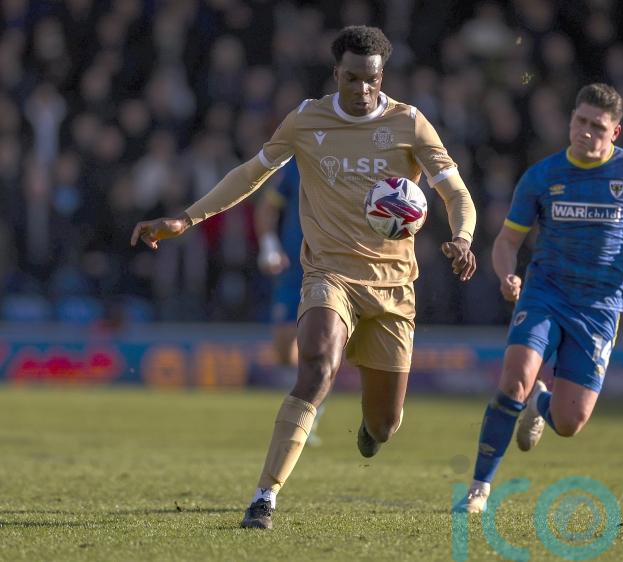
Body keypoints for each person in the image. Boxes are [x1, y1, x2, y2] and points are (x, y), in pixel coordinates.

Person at [130, 25, 477, 529]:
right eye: (352, 78)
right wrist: (187, 218)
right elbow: (250, 174)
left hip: (393, 288)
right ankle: (264, 496)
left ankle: (372, 430)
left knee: (385, 423)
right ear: (336, 73)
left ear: (382, 77)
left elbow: (457, 194)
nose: (362, 90)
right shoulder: (306, 120)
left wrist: (463, 238)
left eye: (371, 80)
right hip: (328, 272)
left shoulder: (410, 124)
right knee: (315, 364)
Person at [456, 83, 623, 513]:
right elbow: (506, 241)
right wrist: (507, 275)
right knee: (514, 376)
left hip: (599, 308)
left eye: (597, 126)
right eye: (580, 122)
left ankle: (541, 402)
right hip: (545, 293)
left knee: (570, 422)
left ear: (615, 132)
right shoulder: (542, 176)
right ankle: (479, 489)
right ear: (570, 120)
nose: (586, 132)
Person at [255, 159, 324, 446]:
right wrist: (269, 246)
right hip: (293, 266)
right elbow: (267, 208)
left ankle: (310, 411)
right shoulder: (298, 162)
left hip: (330, 265)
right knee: (284, 348)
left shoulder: (356, 156)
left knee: (319, 344)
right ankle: (310, 394)